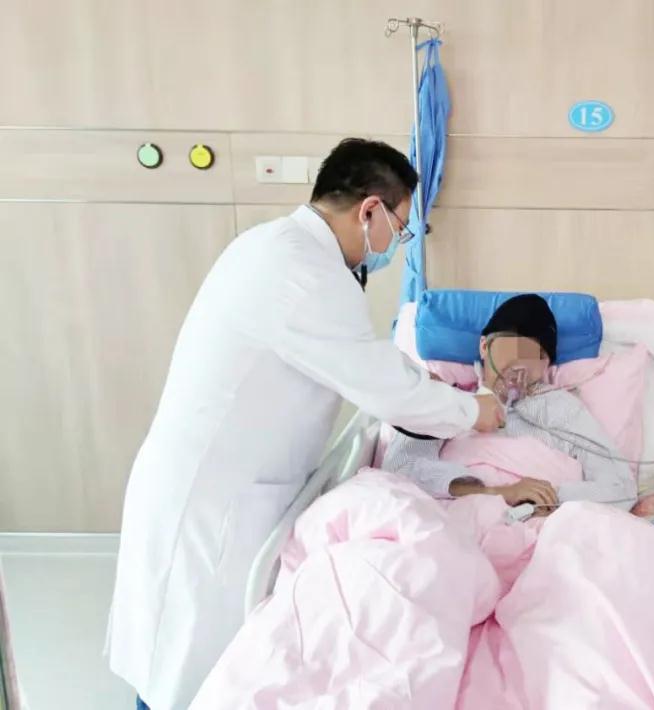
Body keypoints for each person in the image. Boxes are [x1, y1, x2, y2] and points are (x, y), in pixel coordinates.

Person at [107, 138, 506, 710]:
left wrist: (428, 388)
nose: (393, 246)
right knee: (188, 673)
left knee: (193, 662)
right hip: (214, 503)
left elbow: (365, 362)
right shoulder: (302, 274)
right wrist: (472, 410)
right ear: (369, 210)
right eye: (399, 229)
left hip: (218, 481)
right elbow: (384, 387)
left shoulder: (278, 248)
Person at [383, 294, 636, 513]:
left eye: (539, 356)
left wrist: (544, 498)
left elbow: (619, 487)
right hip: (456, 519)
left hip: (544, 523)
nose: (522, 364)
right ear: (484, 346)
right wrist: (498, 492)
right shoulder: (447, 401)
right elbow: (399, 468)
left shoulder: (561, 409)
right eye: (514, 346)